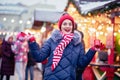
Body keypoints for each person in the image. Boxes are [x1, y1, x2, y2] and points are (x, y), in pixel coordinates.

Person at [28, 13, 102, 80]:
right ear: (60, 26)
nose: (67, 26)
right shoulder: (52, 40)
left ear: (73, 27)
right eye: (65, 24)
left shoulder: (77, 44)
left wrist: (92, 50)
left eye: (70, 24)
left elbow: (81, 64)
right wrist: (32, 42)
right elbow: (39, 57)